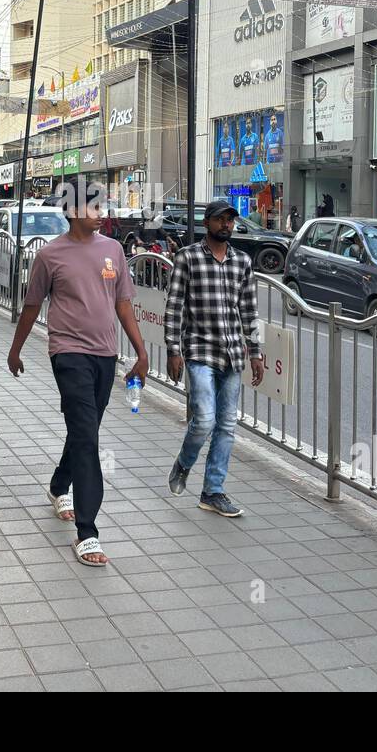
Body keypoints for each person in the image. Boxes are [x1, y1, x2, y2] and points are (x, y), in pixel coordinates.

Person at [8, 179, 148, 569]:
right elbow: (32, 307)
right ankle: (88, 533)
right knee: (88, 436)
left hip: (105, 354)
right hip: (67, 354)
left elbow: (123, 305)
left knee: (84, 429)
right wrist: (15, 350)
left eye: (102, 206)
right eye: (92, 207)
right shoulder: (50, 256)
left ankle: (58, 485)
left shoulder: (114, 250)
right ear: (72, 212)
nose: (100, 213)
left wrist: (140, 351)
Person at [165, 199, 264, 518]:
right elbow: (174, 307)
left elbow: (249, 310)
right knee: (204, 420)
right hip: (199, 351)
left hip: (233, 353)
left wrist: (255, 351)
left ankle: (213, 492)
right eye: (220, 219)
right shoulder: (188, 257)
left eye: (231, 220)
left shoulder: (242, 262)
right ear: (206, 223)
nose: (226, 225)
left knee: (226, 426)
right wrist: (172, 350)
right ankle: (183, 463)